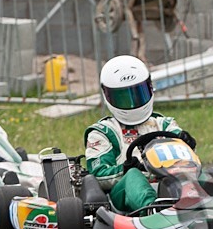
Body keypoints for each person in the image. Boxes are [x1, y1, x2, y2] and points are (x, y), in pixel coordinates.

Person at [84, 55, 197, 213]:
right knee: (133, 175)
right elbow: (98, 175)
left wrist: (188, 144)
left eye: (138, 93)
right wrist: (124, 169)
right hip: (125, 196)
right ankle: (153, 210)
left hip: (168, 184)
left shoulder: (164, 124)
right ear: (107, 95)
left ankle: (210, 203)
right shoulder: (104, 132)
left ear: (150, 87)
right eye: (124, 98)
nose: (132, 103)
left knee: (200, 173)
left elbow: (188, 159)